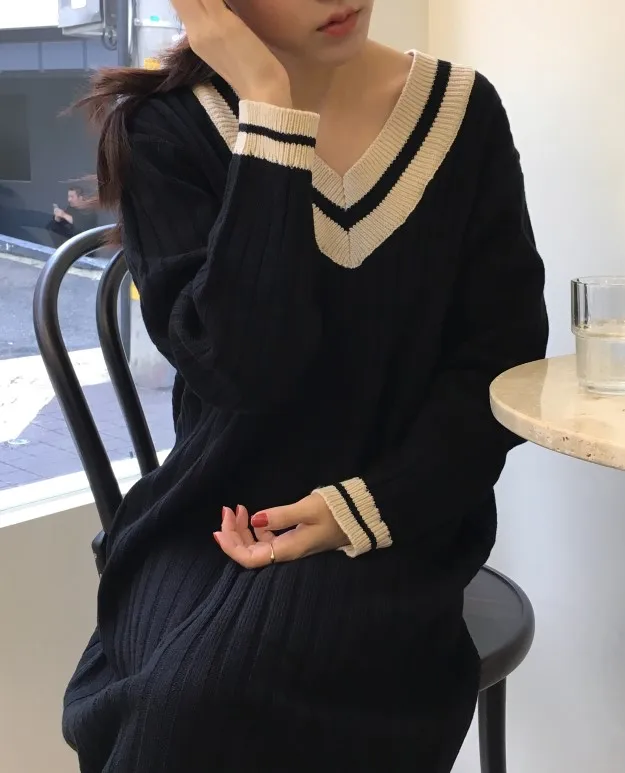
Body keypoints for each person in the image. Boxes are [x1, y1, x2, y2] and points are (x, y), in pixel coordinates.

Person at [63, 1, 548, 771]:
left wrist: (363, 508)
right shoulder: (164, 129)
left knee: (208, 703)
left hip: (398, 514)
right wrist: (271, 110)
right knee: (175, 702)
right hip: (211, 514)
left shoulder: (461, 114)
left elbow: (502, 361)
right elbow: (243, 368)